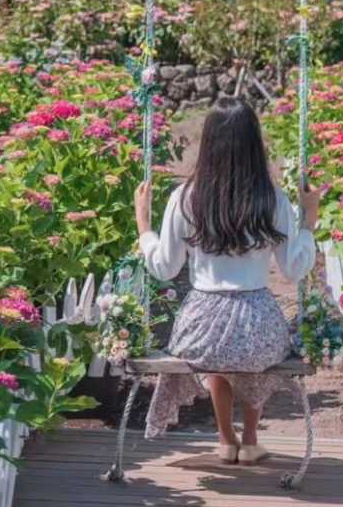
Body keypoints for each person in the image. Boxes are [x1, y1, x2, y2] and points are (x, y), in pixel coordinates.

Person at [134, 95, 319, 464]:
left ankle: (225, 439)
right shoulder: (272, 198)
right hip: (257, 319)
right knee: (253, 350)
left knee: (218, 353)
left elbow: (164, 268)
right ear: (254, 143)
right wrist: (309, 222)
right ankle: (250, 440)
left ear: (209, 141)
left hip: (201, 326)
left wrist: (143, 225)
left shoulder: (185, 197)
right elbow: (294, 270)